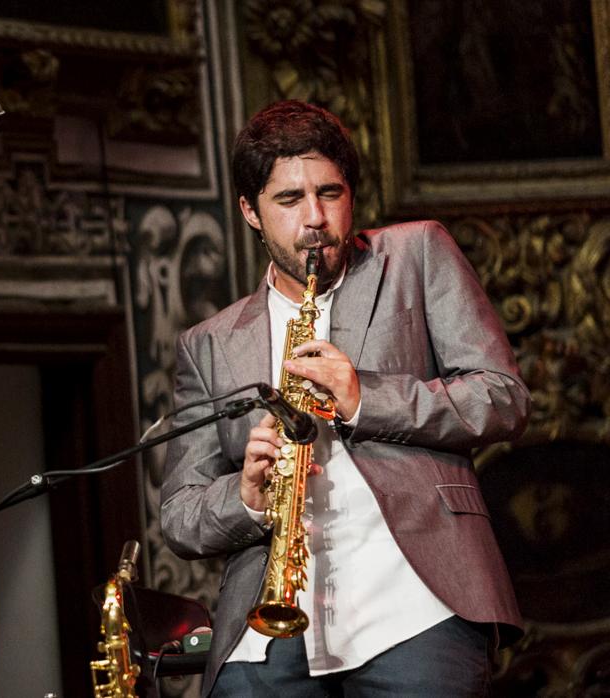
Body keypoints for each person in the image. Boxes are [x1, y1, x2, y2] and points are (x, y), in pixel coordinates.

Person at [160, 100, 529, 697]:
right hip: (269, 638)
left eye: (330, 193)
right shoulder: (208, 344)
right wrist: (247, 497)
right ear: (249, 211)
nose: (315, 218)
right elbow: (179, 514)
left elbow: (503, 397)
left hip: (415, 608)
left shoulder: (416, 254)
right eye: (288, 200)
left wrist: (364, 399)